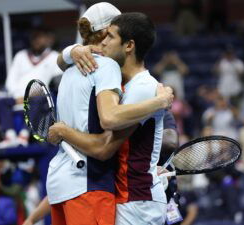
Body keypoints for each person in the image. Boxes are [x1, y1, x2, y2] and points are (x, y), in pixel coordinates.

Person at [46, 4, 173, 225]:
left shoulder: (143, 86)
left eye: (110, 37)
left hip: (138, 201)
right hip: (124, 197)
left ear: (129, 45)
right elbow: (61, 61)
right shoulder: (114, 78)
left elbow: (107, 134)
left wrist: (63, 130)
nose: (103, 43)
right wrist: (71, 51)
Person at [22, 111, 179, 225]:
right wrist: (31, 219)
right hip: (128, 201)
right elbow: (66, 191)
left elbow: (171, 141)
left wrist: (148, 165)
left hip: (158, 194)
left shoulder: (152, 106)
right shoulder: (111, 130)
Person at [0, 27, 62, 148]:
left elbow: (56, 84)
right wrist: (18, 97)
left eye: (40, 37)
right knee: (0, 101)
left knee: (40, 99)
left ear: (47, 39)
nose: (36, 40)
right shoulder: (20, 56)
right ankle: (10, 136)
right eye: (34, 37)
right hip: (17, 97)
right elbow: (10, 81)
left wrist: (28, 96)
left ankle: (23, 135)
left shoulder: (54, 57)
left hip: (39, 97)